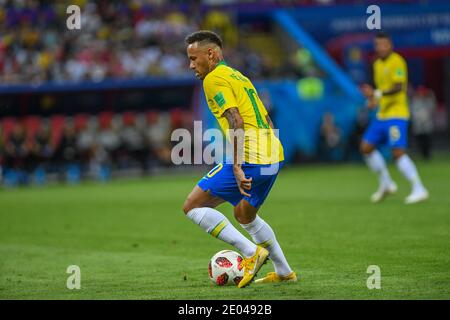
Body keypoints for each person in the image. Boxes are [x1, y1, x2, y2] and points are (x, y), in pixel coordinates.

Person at [183, 30, 296, 288]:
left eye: (193, 58)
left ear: (210, 54)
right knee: (244, 215)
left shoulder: (213, 79)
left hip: (251, 156)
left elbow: (236, 120)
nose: (191, 65)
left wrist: (236, 164)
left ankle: (251, 253)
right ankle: (284, 270)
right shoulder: (238, 76)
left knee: (192, 206)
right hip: (273, 155)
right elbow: (265, 116)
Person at [360, 32, 428, 204]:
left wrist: (376, 93)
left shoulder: (397, 61)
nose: (381, 48)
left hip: (397, 114)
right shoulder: (376, 64)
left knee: (397, 152)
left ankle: (419, 188)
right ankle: (386, 183)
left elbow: (398, 87)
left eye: (384, 44)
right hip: (382, 114)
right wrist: (373, 101)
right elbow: (381, 91)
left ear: (390, 45)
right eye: (378, 45)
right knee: (366, 148)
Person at [410, 85, 436, 160]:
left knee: (427, 139)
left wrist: (425, 116)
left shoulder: (428, 100)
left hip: (427, 123)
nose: (421, 94)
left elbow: (432, 109)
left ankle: (427, 155)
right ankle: (422, 153)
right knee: (419, 139)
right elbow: (413, 111)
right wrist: (419, 116)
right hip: (418, 124)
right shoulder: (415, 100)